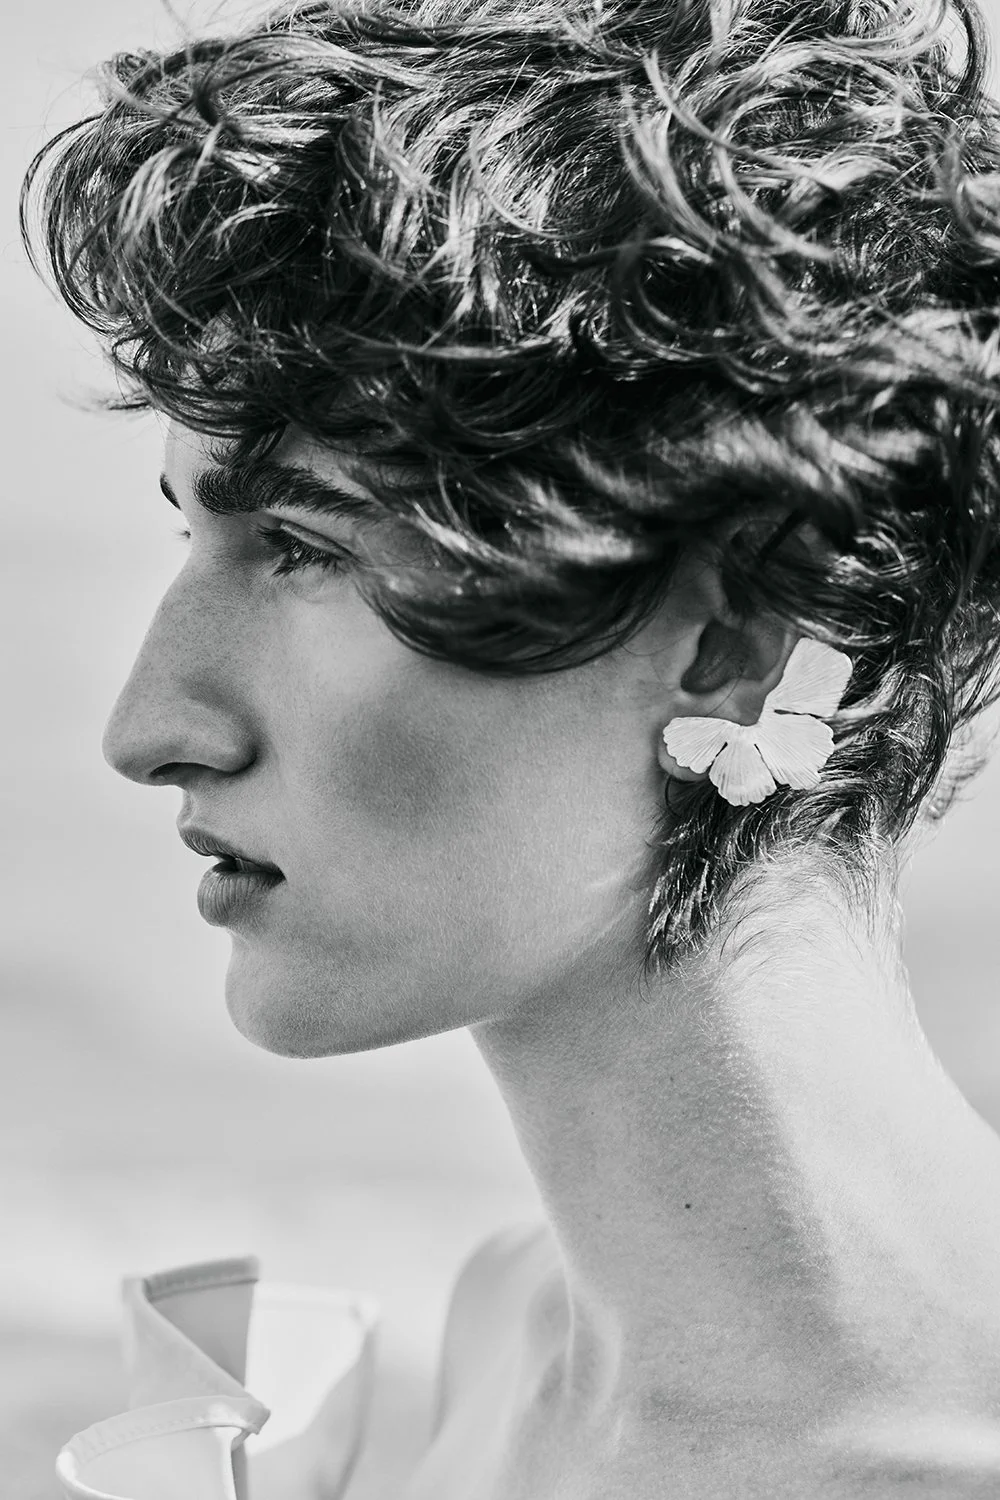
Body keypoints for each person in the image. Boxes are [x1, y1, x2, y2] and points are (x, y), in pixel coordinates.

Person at [21, 0, 1000, 1495]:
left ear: (733, 638)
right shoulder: (502, 1339)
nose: (150, 730)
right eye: (190, 527)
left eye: (300, 545)